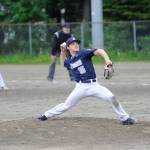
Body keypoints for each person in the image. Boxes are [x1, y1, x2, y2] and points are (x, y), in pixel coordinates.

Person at [38, 37, 136, 125]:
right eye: (72, 43)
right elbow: (63, 63)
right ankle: (45, 115)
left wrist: (107, 61)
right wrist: (62, 51)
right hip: (80, 88)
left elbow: (99, 51)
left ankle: (125, 118)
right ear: (68, 47)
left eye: (77, 43)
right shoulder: (71, 61)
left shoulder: (83, 53)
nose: (76, 44)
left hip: (94, 86)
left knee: (111, 97)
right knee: (66, 106)